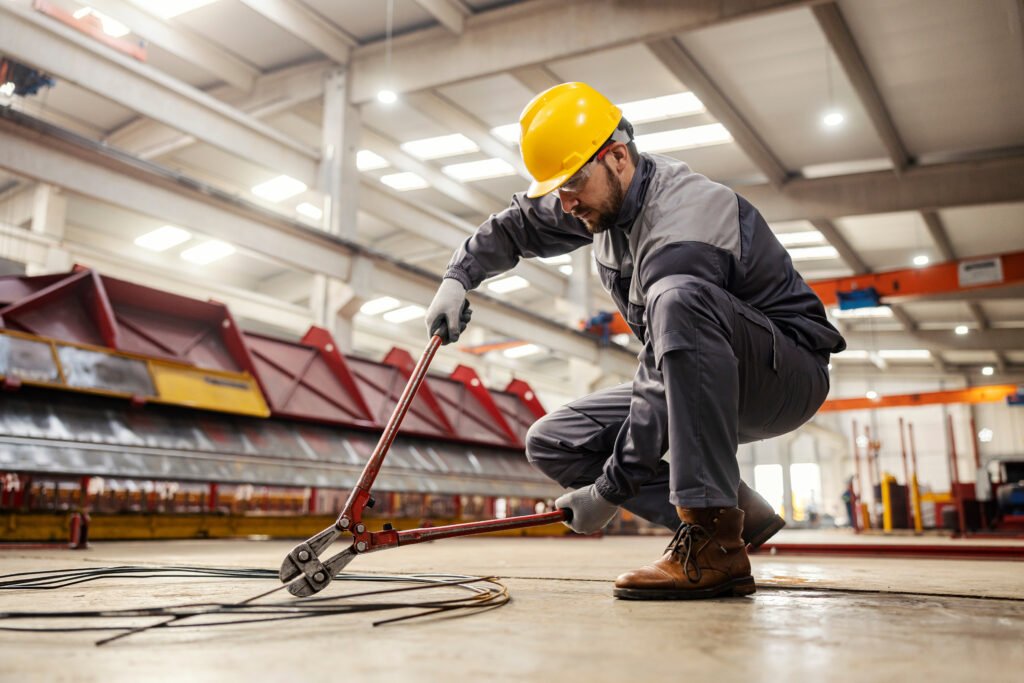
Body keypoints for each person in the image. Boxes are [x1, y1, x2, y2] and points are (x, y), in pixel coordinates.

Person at [424, 82, 845, 600]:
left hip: (783, 375)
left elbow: (657, 374)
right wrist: (458, 277)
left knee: (680, 302)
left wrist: (609, 490)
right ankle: (733, 513)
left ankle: (713, 540)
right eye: (557, 188)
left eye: (573, 182)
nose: (566, 200)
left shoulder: (682, 222)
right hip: (697, 373)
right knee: (556, 440)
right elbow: (515, 227)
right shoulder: (599, 198)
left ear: (618, 156)